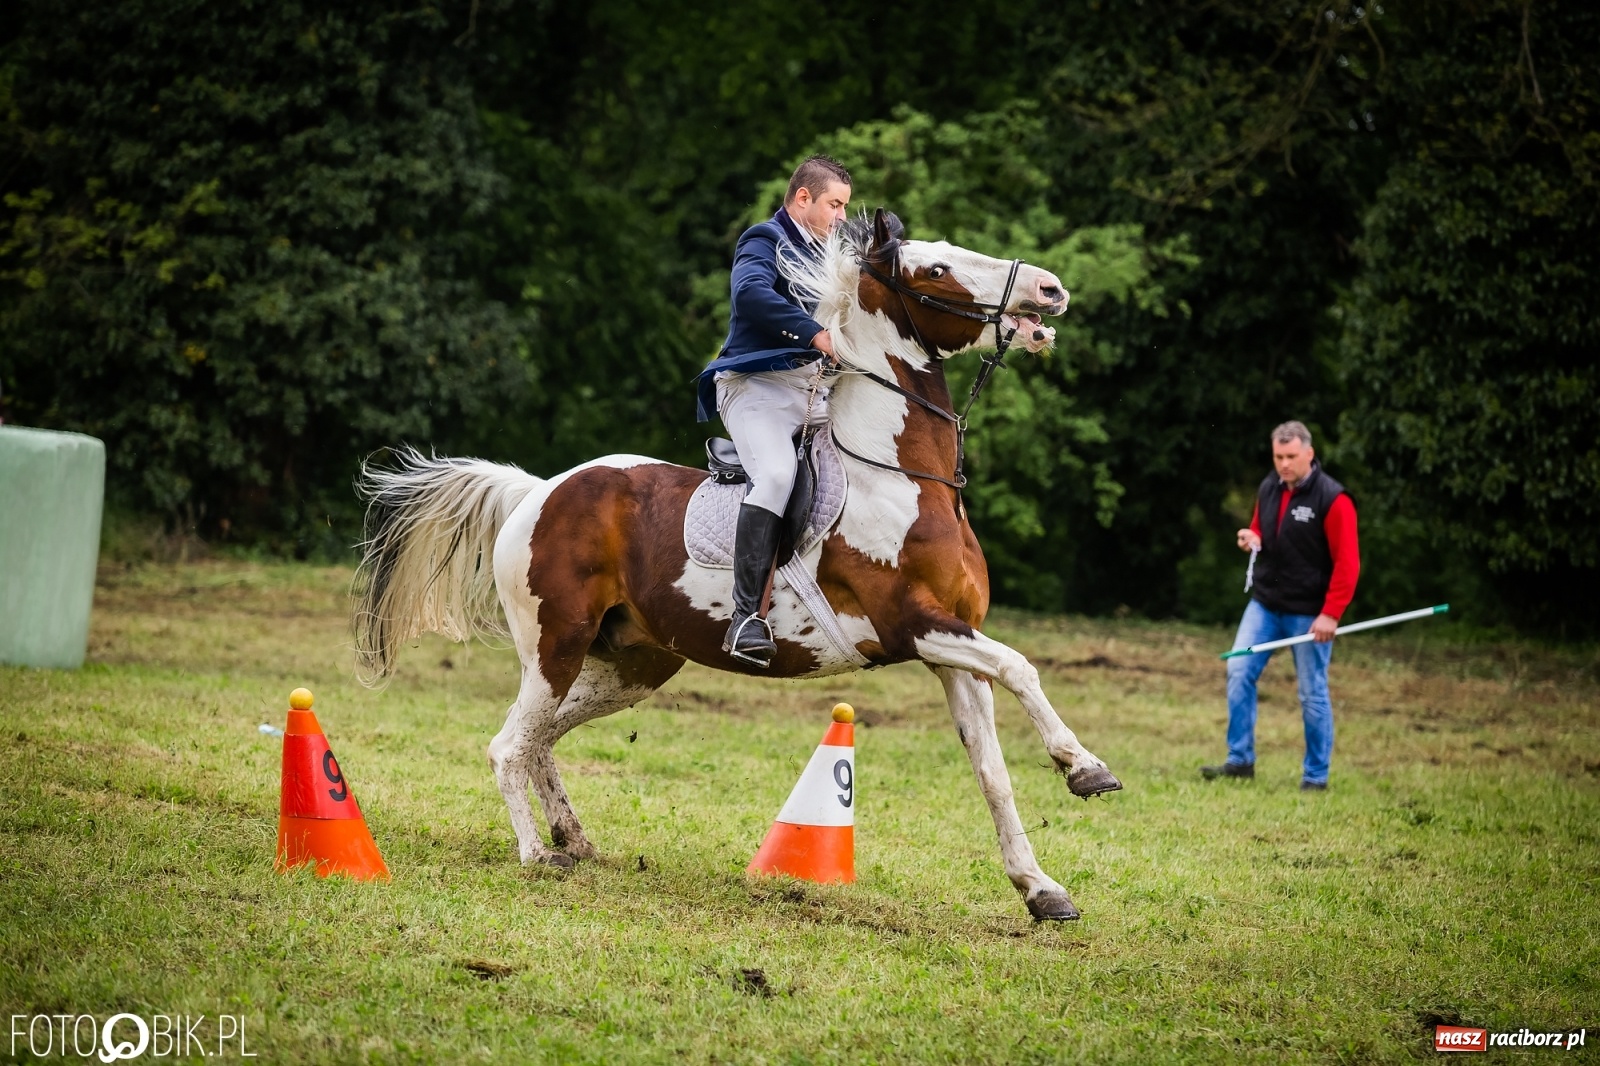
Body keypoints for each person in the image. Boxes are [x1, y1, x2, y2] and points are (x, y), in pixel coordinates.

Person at [695, 155, 852, 668]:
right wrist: (815, 334)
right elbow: (750, 294)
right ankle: (746, 619)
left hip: (809, 391)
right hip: (754, 387)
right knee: (778, 474)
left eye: (845, 207)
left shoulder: (831, 253)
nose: (840, 217)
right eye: (834, 205)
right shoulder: (764, 240)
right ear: (802, 198)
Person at [1202, 420, 1360, 790]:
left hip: (1310, 613)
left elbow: (1348, 564)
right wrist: (1252, 537)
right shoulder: (1269, 487)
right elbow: (1262, 528)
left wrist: (1330, 614)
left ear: (1309, 453)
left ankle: (1315, 777)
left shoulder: (1333, 499)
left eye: (1291, 456)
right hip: (1265, 605)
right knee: (1239, 670)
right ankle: (1240, 760)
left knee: (1311, 692)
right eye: (1278, 456)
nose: (1284, 464)